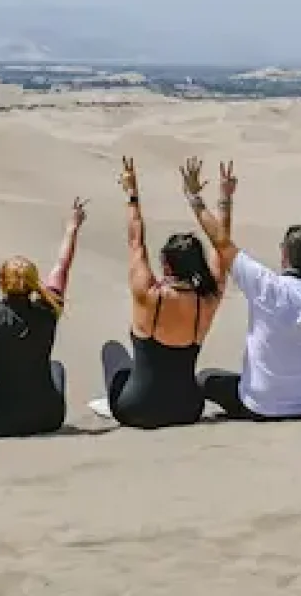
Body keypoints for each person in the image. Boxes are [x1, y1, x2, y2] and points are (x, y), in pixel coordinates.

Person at [187, 158, 301, 421]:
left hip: (261, 406)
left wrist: (200, 199)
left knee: (206, 379)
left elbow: (221, 243)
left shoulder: (265, 285)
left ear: (284, 253)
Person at [97, 157, 225, 429]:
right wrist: (215, 199)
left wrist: (132, 194)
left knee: (112, 352)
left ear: (166, 265)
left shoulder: (150, 295)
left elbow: (136, 242)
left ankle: (111, 399)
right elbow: (221, 245)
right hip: (187, 408)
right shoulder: (209, 299)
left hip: (135, 407)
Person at [0, 193, 87, 437]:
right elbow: (62, 265)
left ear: (2, 283)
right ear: (34, 282)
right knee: (55, 367)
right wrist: (72, 227)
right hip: (45, 419)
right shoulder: (47, 310)